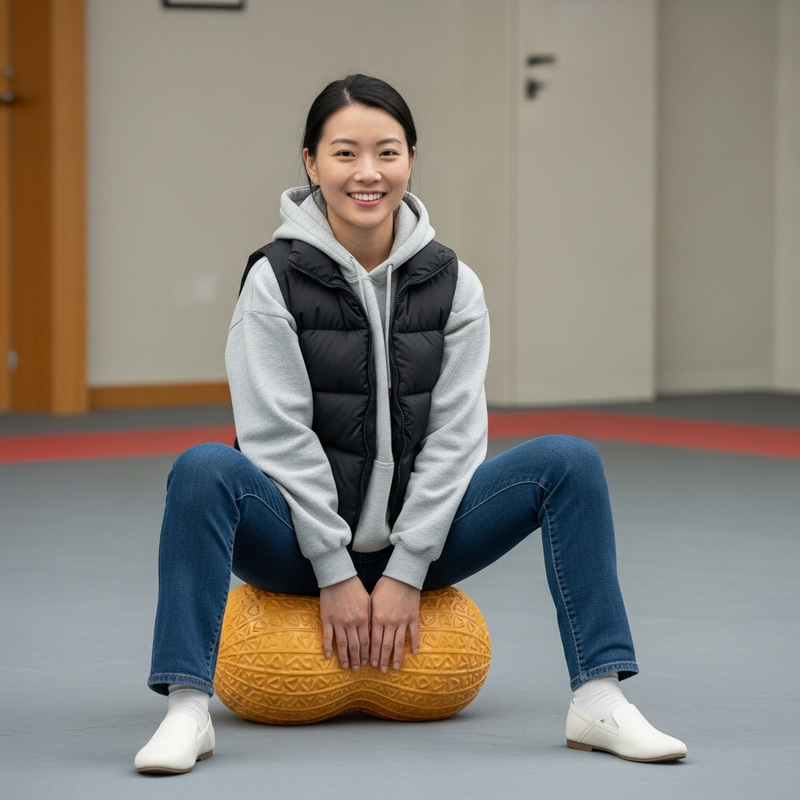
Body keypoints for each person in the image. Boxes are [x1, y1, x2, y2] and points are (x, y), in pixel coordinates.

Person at [134, 74, 686, 774]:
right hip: (298, 545)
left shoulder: (455, 283)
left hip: (420, 540)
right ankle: (187, 710)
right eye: (344, 153)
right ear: (309, 162)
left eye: (386, 152)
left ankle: (599, 698)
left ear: (411, 159)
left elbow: (458, 436)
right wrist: (335, 571)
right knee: (202, 469)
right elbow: (276, 435)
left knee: (569, 462)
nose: (367, 173)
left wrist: (405, 569)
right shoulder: (273, 279)